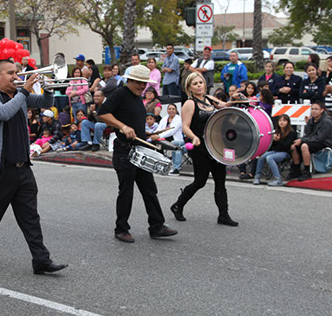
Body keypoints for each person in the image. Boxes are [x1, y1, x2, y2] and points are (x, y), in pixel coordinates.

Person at [0, 59, 67, 274]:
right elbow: (4, 113)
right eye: (10, 73)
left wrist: (49, 88)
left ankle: (41, 260)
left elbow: (42, 101)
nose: (16, 76)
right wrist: (24, 91)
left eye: (17, 72)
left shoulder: (19, 95)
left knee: (30, 216)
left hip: (23, 167)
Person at [97, 64, 178, 243]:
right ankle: (121, 228)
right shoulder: (120, 94)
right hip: (124, 150)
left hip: (140, 149)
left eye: (144, 84)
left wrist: (146, 133)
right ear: (130, 81)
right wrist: (123, 127)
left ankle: (156, 226)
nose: (142, 87)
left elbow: (133, 120)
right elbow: (102, 113)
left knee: (149, 189)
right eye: (139, 83)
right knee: (126, 191)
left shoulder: (136, 98)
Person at [170, 72, 238, 226]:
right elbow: (185, 127)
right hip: (200, 147)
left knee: (220, 181)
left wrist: (235, 98)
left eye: (201, 82)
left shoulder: (210, 99)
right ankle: (178, 205)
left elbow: (226, 106)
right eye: (195, 84)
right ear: (189, 88)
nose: (199, 85)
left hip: (216, 146)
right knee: (200, 181)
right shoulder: (189, 103)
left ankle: (223, 215)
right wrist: (193, 137)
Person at [289, 100, 332, 181]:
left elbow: (319, 138)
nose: (313, 111)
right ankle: (296, 169)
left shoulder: (326, 121)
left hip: (324, 142)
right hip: (313, 140)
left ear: (322, 110)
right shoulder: (311, 120)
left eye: (316, 109)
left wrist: (302, 140)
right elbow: (308, 135)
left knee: (304, 145)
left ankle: (307, 171)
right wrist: (302, 139)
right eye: (312, 109)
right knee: (294, 146)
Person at [254, 114, 295, 186]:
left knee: (269, 158)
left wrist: (278, 140)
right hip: (275, 151)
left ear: (288, 122)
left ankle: (278, 179)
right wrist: (274, 140)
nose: (282, 122)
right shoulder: (276, 131)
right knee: (262, 156)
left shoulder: (291, 133)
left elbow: (286, 146)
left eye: (284, 120)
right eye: (280, 120)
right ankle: (257, 176)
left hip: (285, 153)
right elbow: (271, 147)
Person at [149, 103, 184, 175]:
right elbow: (159, 129)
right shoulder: (164, 118)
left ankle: (176, 169)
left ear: (176, 110)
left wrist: (159, 136)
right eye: (169, 109)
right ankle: (159, 164)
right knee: (155, 143)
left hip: (176, 140)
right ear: (167, 110)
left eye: (173, 109)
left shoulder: (179, 119)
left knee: (175, 143)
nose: (171, 110)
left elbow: (171, 131)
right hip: (164, 139)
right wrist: (154, 135)